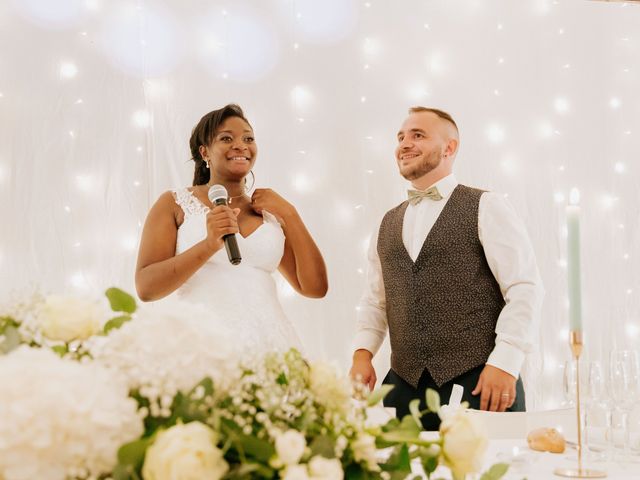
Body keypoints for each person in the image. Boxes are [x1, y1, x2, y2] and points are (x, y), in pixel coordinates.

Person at [349, 106, 543, 430]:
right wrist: (362, 353)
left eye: (418, 135)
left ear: (449, 148)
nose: (404, 144)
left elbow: (524, 287)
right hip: (403, 389)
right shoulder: (386, 222)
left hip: (481, 382)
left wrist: (506, 362)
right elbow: (376, 300)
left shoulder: (486, 205)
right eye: (401, 137)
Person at [135, 104, 328, 353]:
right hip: (202, 346)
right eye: (226, 138)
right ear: (204, 152)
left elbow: (314, 288)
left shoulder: (271, 212)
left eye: (248, 138)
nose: (240, 145)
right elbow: (146, 288)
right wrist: (208, 245)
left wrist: (290, 214)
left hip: (271, 349)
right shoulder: (173, 203)